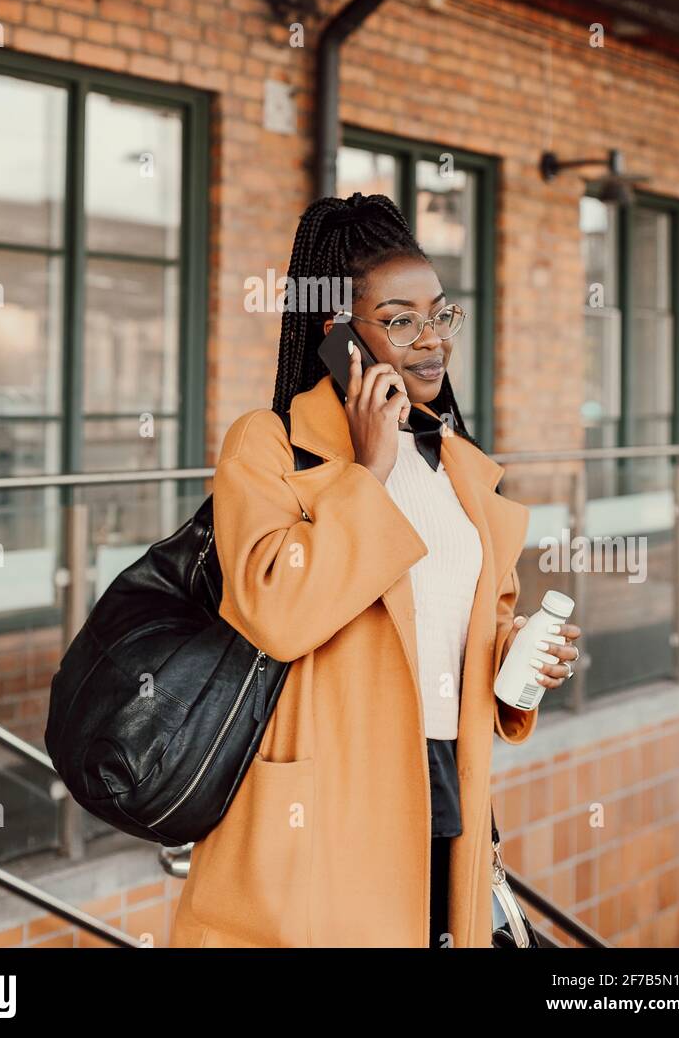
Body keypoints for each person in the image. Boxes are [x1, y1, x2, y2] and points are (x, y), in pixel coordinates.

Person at [171, 192, 580, 948]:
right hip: (323, 808)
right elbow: (279, 612)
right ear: (338, 337)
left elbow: (460, 632)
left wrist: (519, 653)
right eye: (399, 320)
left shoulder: (457, 466)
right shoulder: (268, 447)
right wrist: (367, 467)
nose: (431, 340)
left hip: (446, 792)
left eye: (441, 314)